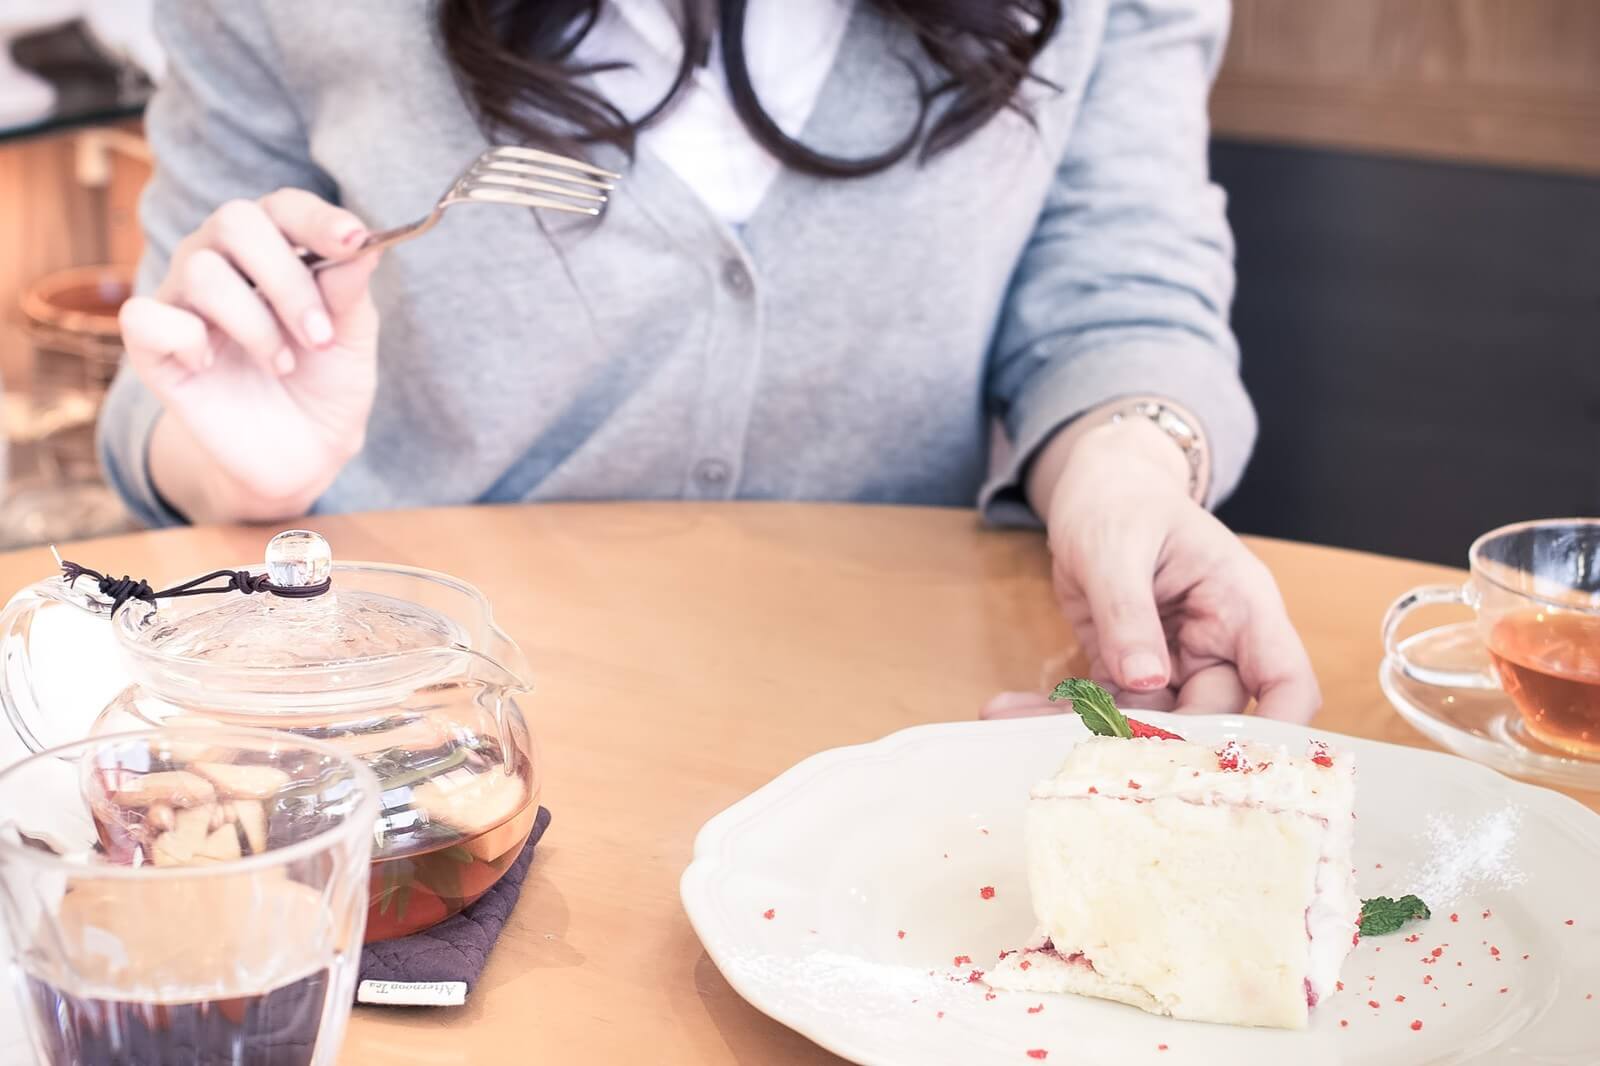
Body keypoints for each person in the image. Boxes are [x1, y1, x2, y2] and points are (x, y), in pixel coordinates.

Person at [100, 0, 1320, 721]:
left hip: (890, 731)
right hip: (418, 742)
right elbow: (170, 386)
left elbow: (1116, 284)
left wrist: (1128, 475)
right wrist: (242, 466)